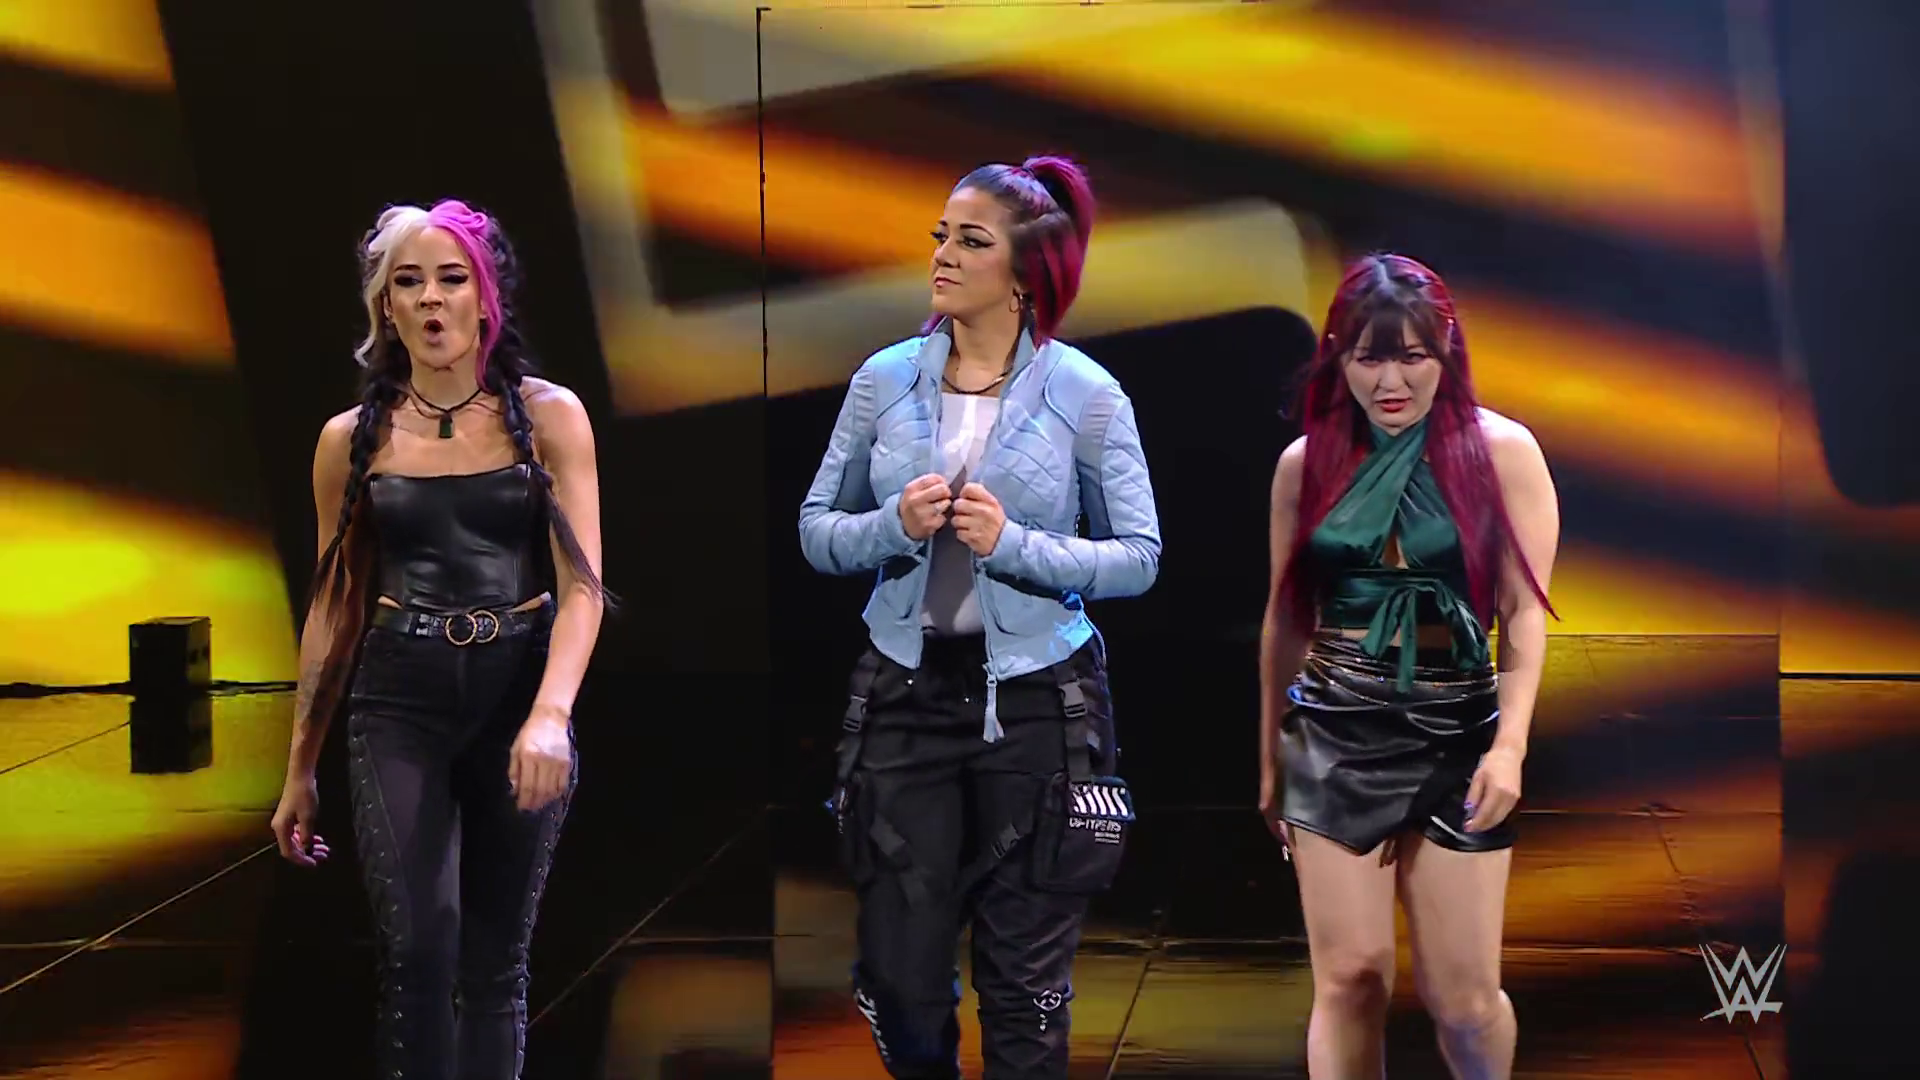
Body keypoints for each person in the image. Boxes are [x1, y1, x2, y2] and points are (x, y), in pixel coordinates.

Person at [798, 155, 1161, 1079]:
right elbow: (816, 530)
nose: (943, 255)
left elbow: (1139, 556)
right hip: (903, 694)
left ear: (1024, 271)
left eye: (970, 240)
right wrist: (892, 525)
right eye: (941, 236)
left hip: (1040, 702)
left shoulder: (1086, 393)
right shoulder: (883, 381)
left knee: (1024, 983)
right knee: (900, 977)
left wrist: (1017, 546)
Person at [268, 199, 610, 1080]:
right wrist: (300, 766)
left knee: (496, 965)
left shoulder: (550, 416)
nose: (430, 299)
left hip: (517, 687)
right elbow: (334, 605)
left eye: (451, 279)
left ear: (486, 295)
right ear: (385, 306)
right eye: (408, 283)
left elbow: (583, 587)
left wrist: (550, 716)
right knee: (418, 954)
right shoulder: (351, 440)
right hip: (399, 698)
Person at [1257, 253, 1559, 1079]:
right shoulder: (1306, 463)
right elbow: (1286, 618)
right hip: (1333, 731)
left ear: (1446, 347)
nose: (1390, 381)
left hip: (1456, 730)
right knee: (1350, 979)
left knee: (1464, 1001)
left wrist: (1510, 748)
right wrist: (1270, 761)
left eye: (1412, 358)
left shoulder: (1502, 453)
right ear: (1338, 356)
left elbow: (1522, 613)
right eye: (1369, 359)